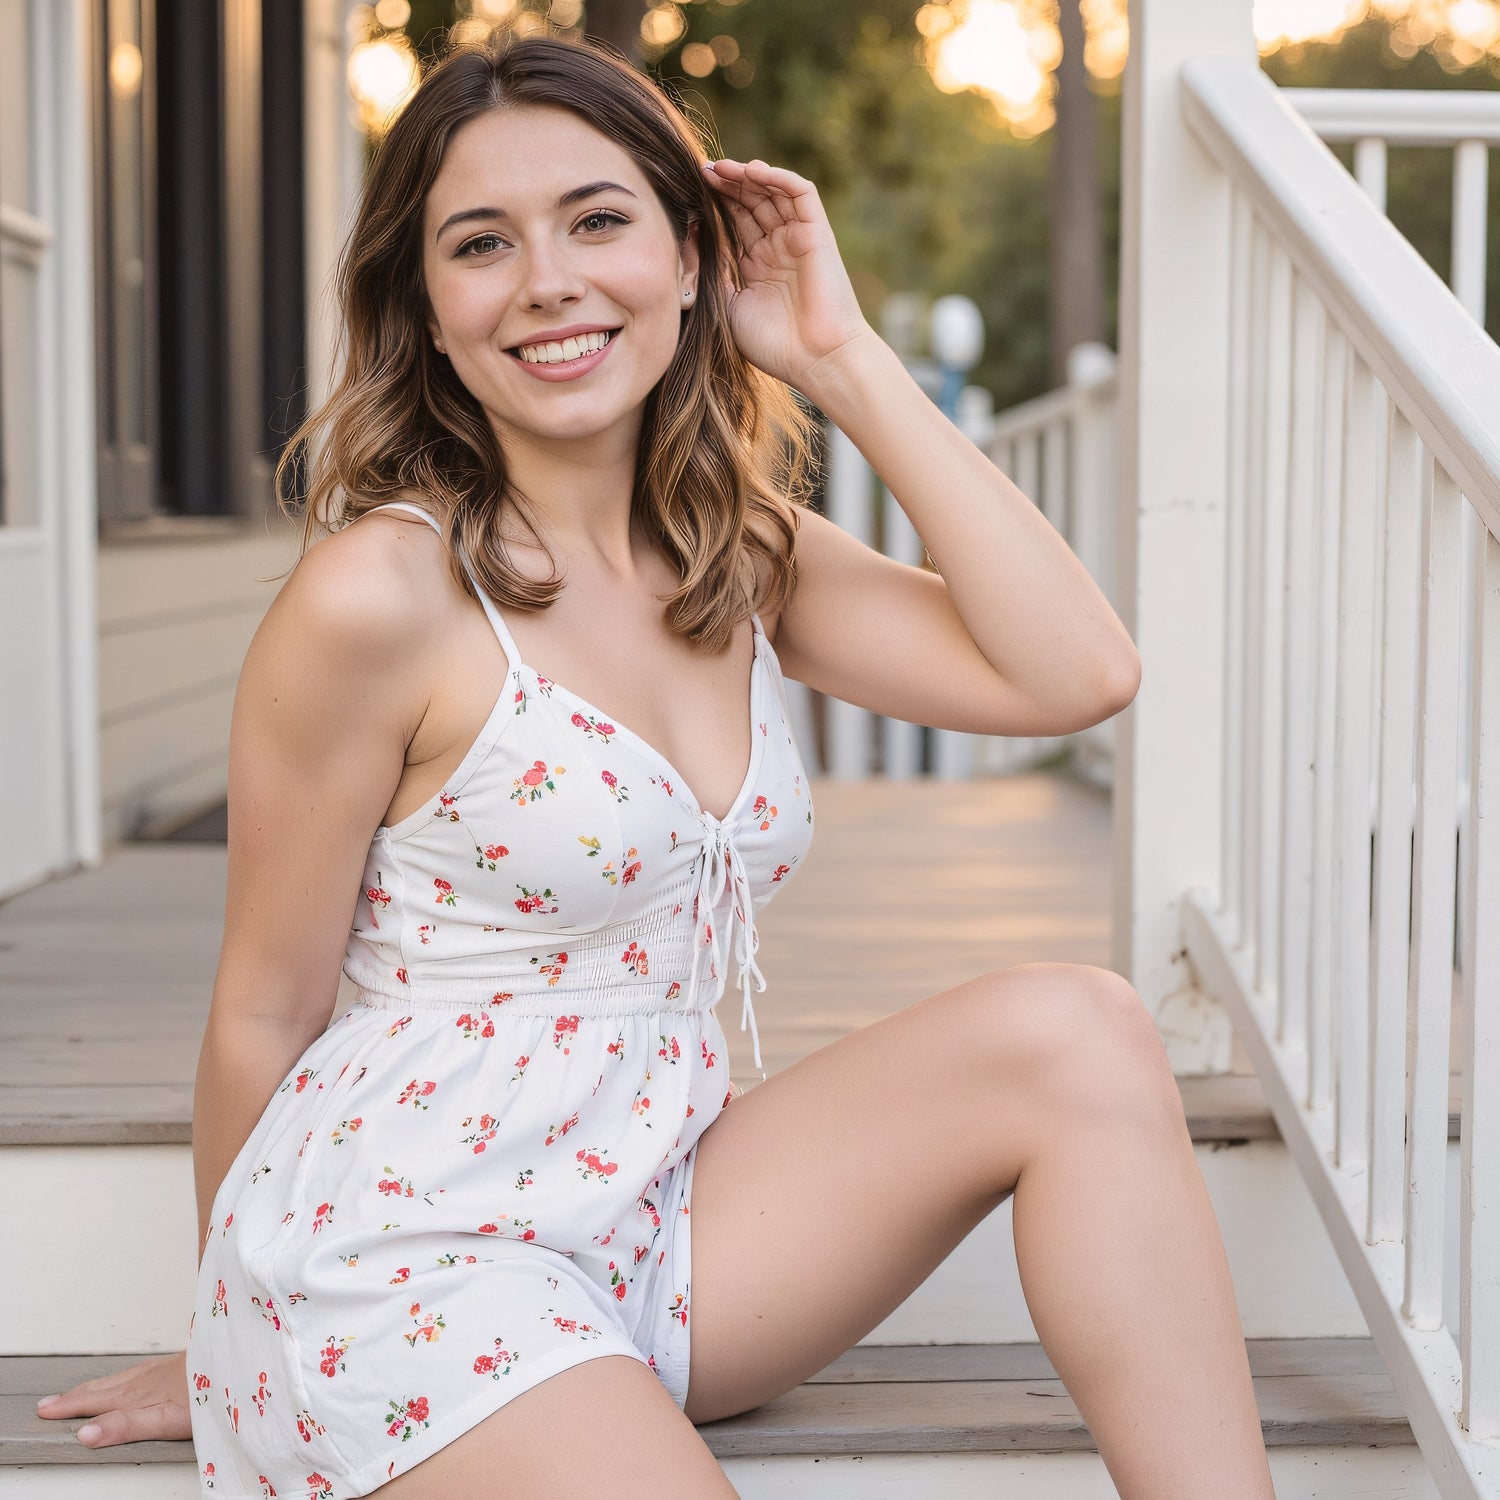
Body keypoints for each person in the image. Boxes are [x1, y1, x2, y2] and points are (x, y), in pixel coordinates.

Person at [35, 26, 1277, 1500]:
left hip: (652, 1215)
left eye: (600, 220)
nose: (549, 280)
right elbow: (262, 1007)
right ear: (427, 310)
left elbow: (1080, 672)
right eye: (481, 243)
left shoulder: (737, 554)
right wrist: (222, 1330)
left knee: (1080, 1031)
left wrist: (840, 358)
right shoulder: (382, 598)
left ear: (693, 263)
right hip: (404, 1250)